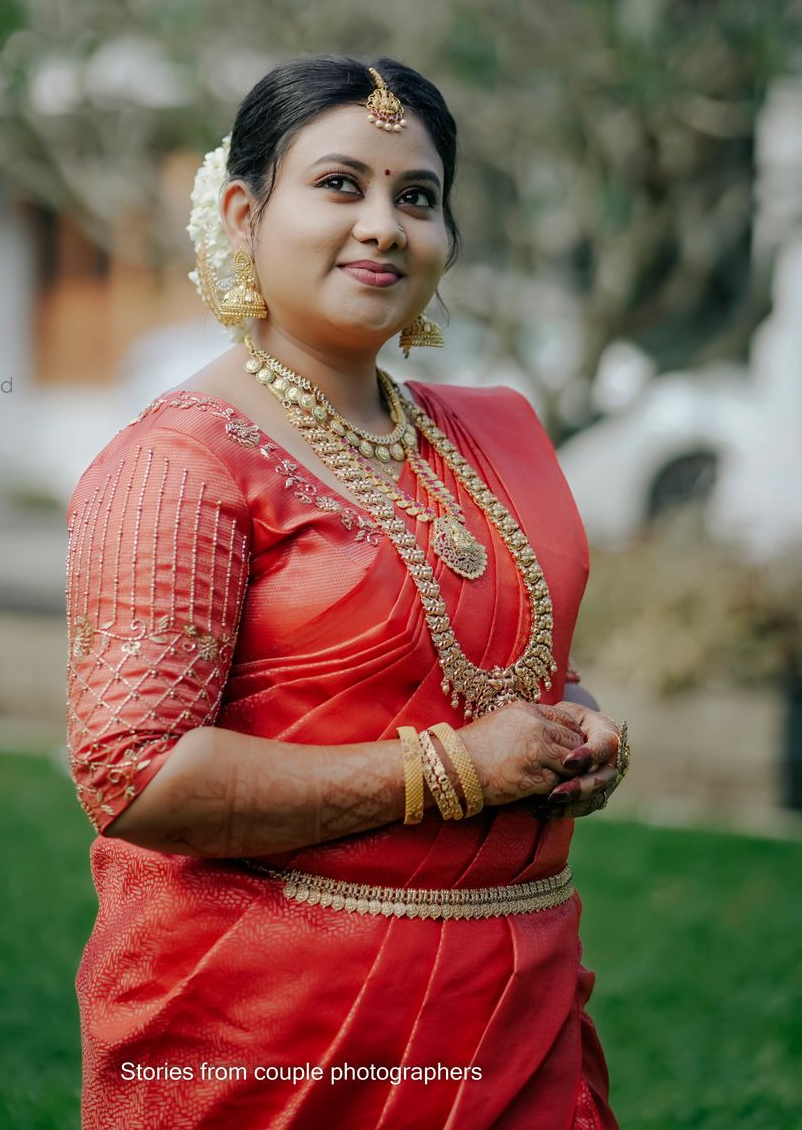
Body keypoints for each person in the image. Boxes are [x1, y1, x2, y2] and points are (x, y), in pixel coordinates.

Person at [65, 55, 628, 1129]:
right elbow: (136, 778)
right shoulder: (178, 465)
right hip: (279, 1020)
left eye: (415, 197)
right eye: (339, 185)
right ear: (243, 212)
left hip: (517, 998)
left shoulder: (488, 431)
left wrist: (574, 726)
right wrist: (461, 769)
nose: (382, 225)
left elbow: (484, 656)